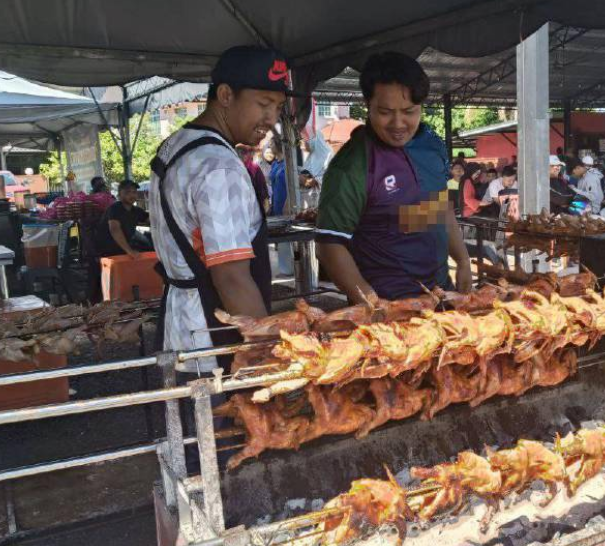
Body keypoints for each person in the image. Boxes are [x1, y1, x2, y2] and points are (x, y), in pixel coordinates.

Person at [148, 45, 287, 373]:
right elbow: (232, 279)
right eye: (263, 104)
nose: (272, 120)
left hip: (181, 330)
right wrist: (271, 357)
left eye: (279, 108)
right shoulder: (218, 166)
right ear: (225, 95)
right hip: (215, 340)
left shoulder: (177, 145)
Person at [316, 51, 471, 303]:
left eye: (409, 111)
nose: (398, 124)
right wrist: (371, 302)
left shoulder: (432, 145)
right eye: (385, 112)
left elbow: (439, 208)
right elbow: (329, 246)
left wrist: (462, 259)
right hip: (390, 308)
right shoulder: (351, 165)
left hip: (443, 296)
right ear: (368, 105)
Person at [95, 180, 150, 258]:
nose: (132, 195)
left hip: (123, 249)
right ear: (119, 195)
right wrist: (130, 251)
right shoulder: (114, 208)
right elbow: (115, 230)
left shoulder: (136, 211)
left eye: (134, 192)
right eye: (127, 192)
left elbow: (152, 220)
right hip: (108, 252)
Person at [299, 131, 333, 210]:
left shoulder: (328, 154)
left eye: (304, 140)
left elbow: (331, 179)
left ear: (313, 139)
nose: (302, 144)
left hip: (323, 202)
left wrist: (312, 181)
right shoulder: (312, 155)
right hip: (310, 202)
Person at [237, 145, 270, 213]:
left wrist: (265, 211)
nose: (240, 156)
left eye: (243, 153)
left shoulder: (254, 169)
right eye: (238, 152)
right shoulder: (233, 169)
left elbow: (263, 193)